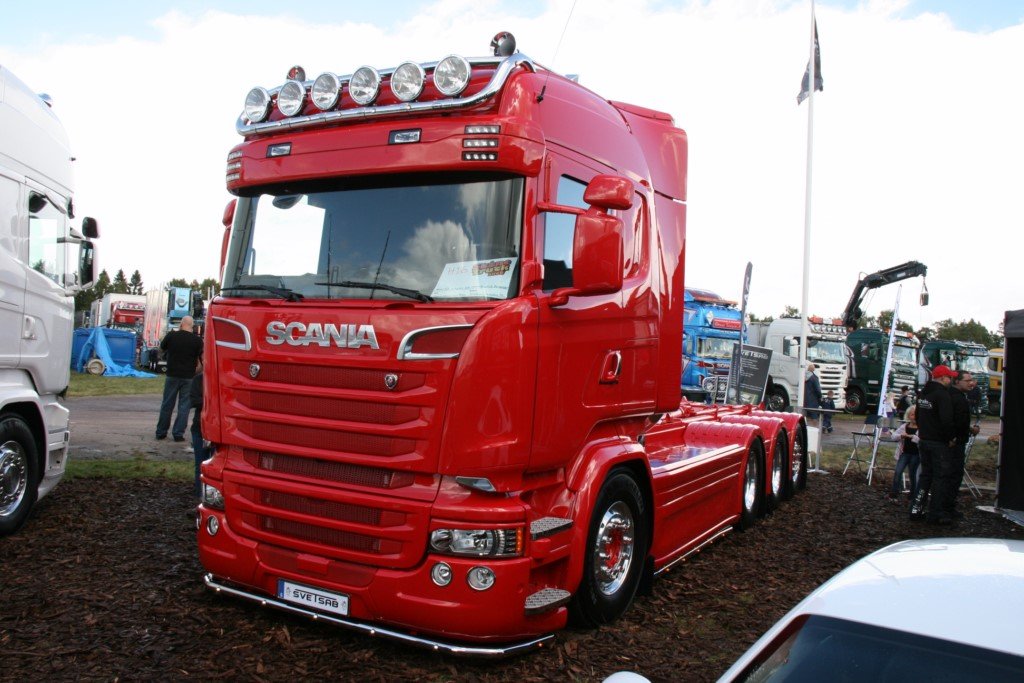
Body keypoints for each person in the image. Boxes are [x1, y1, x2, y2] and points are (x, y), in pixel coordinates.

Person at [910, 364, 957, 523]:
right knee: (940, 478)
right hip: (939, 443)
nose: (950, 380)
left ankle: (915, 509)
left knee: (925, 476)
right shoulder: (942, 395)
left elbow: (917, 415)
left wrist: (924, 431)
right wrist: (951, 437)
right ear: (943, 378)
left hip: (924, 440)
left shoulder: (923, 393)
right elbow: (947, 420)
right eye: (949, 377)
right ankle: (935, 513)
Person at [155, 315, 204, 442]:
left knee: (167, 404)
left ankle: (161, 432)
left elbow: (160, 351)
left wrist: (165, 358)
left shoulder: (171, 336)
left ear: (181, 324)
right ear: (192, 326)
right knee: (184, 406)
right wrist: (196, 371)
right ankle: (178, 434)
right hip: (188, 377)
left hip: (172, 375)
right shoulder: (197, 341)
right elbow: (202, 361)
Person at [947, 370, 981, 519]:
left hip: (957, 439)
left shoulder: (958, 396)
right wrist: (953, 437)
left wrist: (969, 429)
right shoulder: (955, 398)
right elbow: (953, 420)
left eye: (971, 380)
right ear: (957, 381)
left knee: (953, 475)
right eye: (967, 380)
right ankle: (947, 507)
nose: (971, 383)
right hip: (954, 443)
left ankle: (947, 506)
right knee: (953, 475)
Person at [888, 405, 920, 503]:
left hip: (916, 455)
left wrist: (912, 437)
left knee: (912, 475)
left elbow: (922, 441)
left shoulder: (922, 428)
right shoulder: (904, 426)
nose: (914, 417)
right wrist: (901, 435)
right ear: (908, 416)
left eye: (916, 414)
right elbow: (893, 436)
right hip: (904, 453)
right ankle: (894, 493)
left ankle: (912, 495)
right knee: (898, 472)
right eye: (912, 415)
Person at [190, 358, 210, 499]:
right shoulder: (198, 380)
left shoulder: (221, 379)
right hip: (200, 427)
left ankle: (210, 494)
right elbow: (194, 400)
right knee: (200, 463)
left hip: (215, 428)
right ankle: (200, 494)